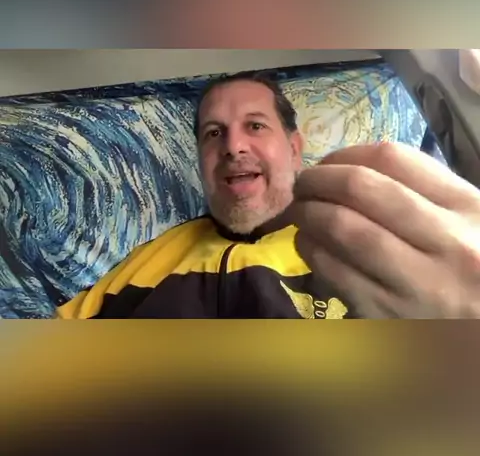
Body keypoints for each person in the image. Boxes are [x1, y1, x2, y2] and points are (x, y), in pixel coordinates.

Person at [57, 73, 480, 319]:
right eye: (214, 133)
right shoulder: (146, 260)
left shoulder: (366, 239)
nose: (233, 146)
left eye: (255, 126)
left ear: (294, 149)